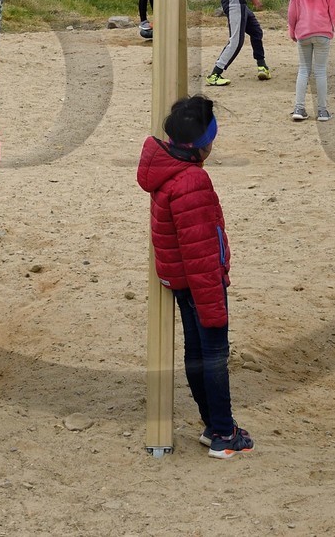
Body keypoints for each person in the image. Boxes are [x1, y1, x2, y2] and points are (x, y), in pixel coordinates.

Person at [136, 95, 253, 459]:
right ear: (202, 145)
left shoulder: (166, 169)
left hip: (182, 282)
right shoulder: (192, 181)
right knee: (214, 354)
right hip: (201, 283)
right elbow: (200, 250)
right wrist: (214, 302)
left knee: (196, 350)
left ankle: (211, 423)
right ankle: (222, 431)